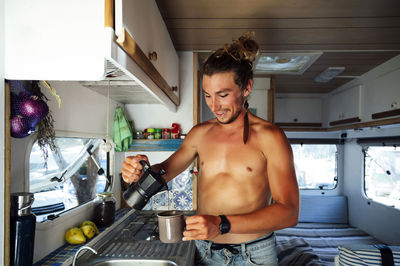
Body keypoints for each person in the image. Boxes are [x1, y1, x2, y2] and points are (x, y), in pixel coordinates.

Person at [121, 32, 299, 266]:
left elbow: (289, 212)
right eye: (207, 95)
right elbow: (164, 171)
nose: (214, 106)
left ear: (246, 87)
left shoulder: (271, 138)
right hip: (205, 252)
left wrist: (222, 224)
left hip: (254, 254)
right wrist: (138, 171)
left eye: (223, 95)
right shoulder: (200, 134)